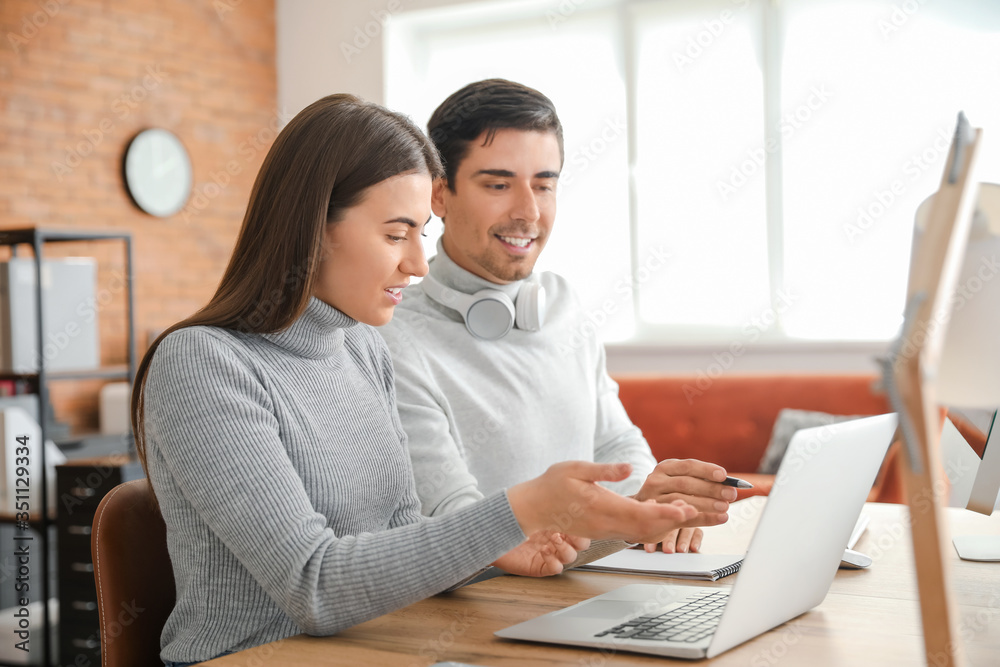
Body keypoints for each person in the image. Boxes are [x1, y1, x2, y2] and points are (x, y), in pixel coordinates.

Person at [130, 94, 699, 667]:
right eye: (396, 234)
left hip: (385, 648)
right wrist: (519, 510)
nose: (418, 265)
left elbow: (405, 542)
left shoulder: (361, 349)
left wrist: (607, 527)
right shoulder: (203, 364)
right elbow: (315, 586)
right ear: (315, 227)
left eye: (421, 234)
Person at [379, 80, 737, 571]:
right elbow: (454, 520)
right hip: (482, 609)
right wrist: (623, 523)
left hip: (583, 583)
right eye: (498, 184)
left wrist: (652, 506)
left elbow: (616, 443)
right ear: (440, 195)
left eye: (544, 184)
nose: (529, 212)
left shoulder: (562, 303)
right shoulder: (393, 339)